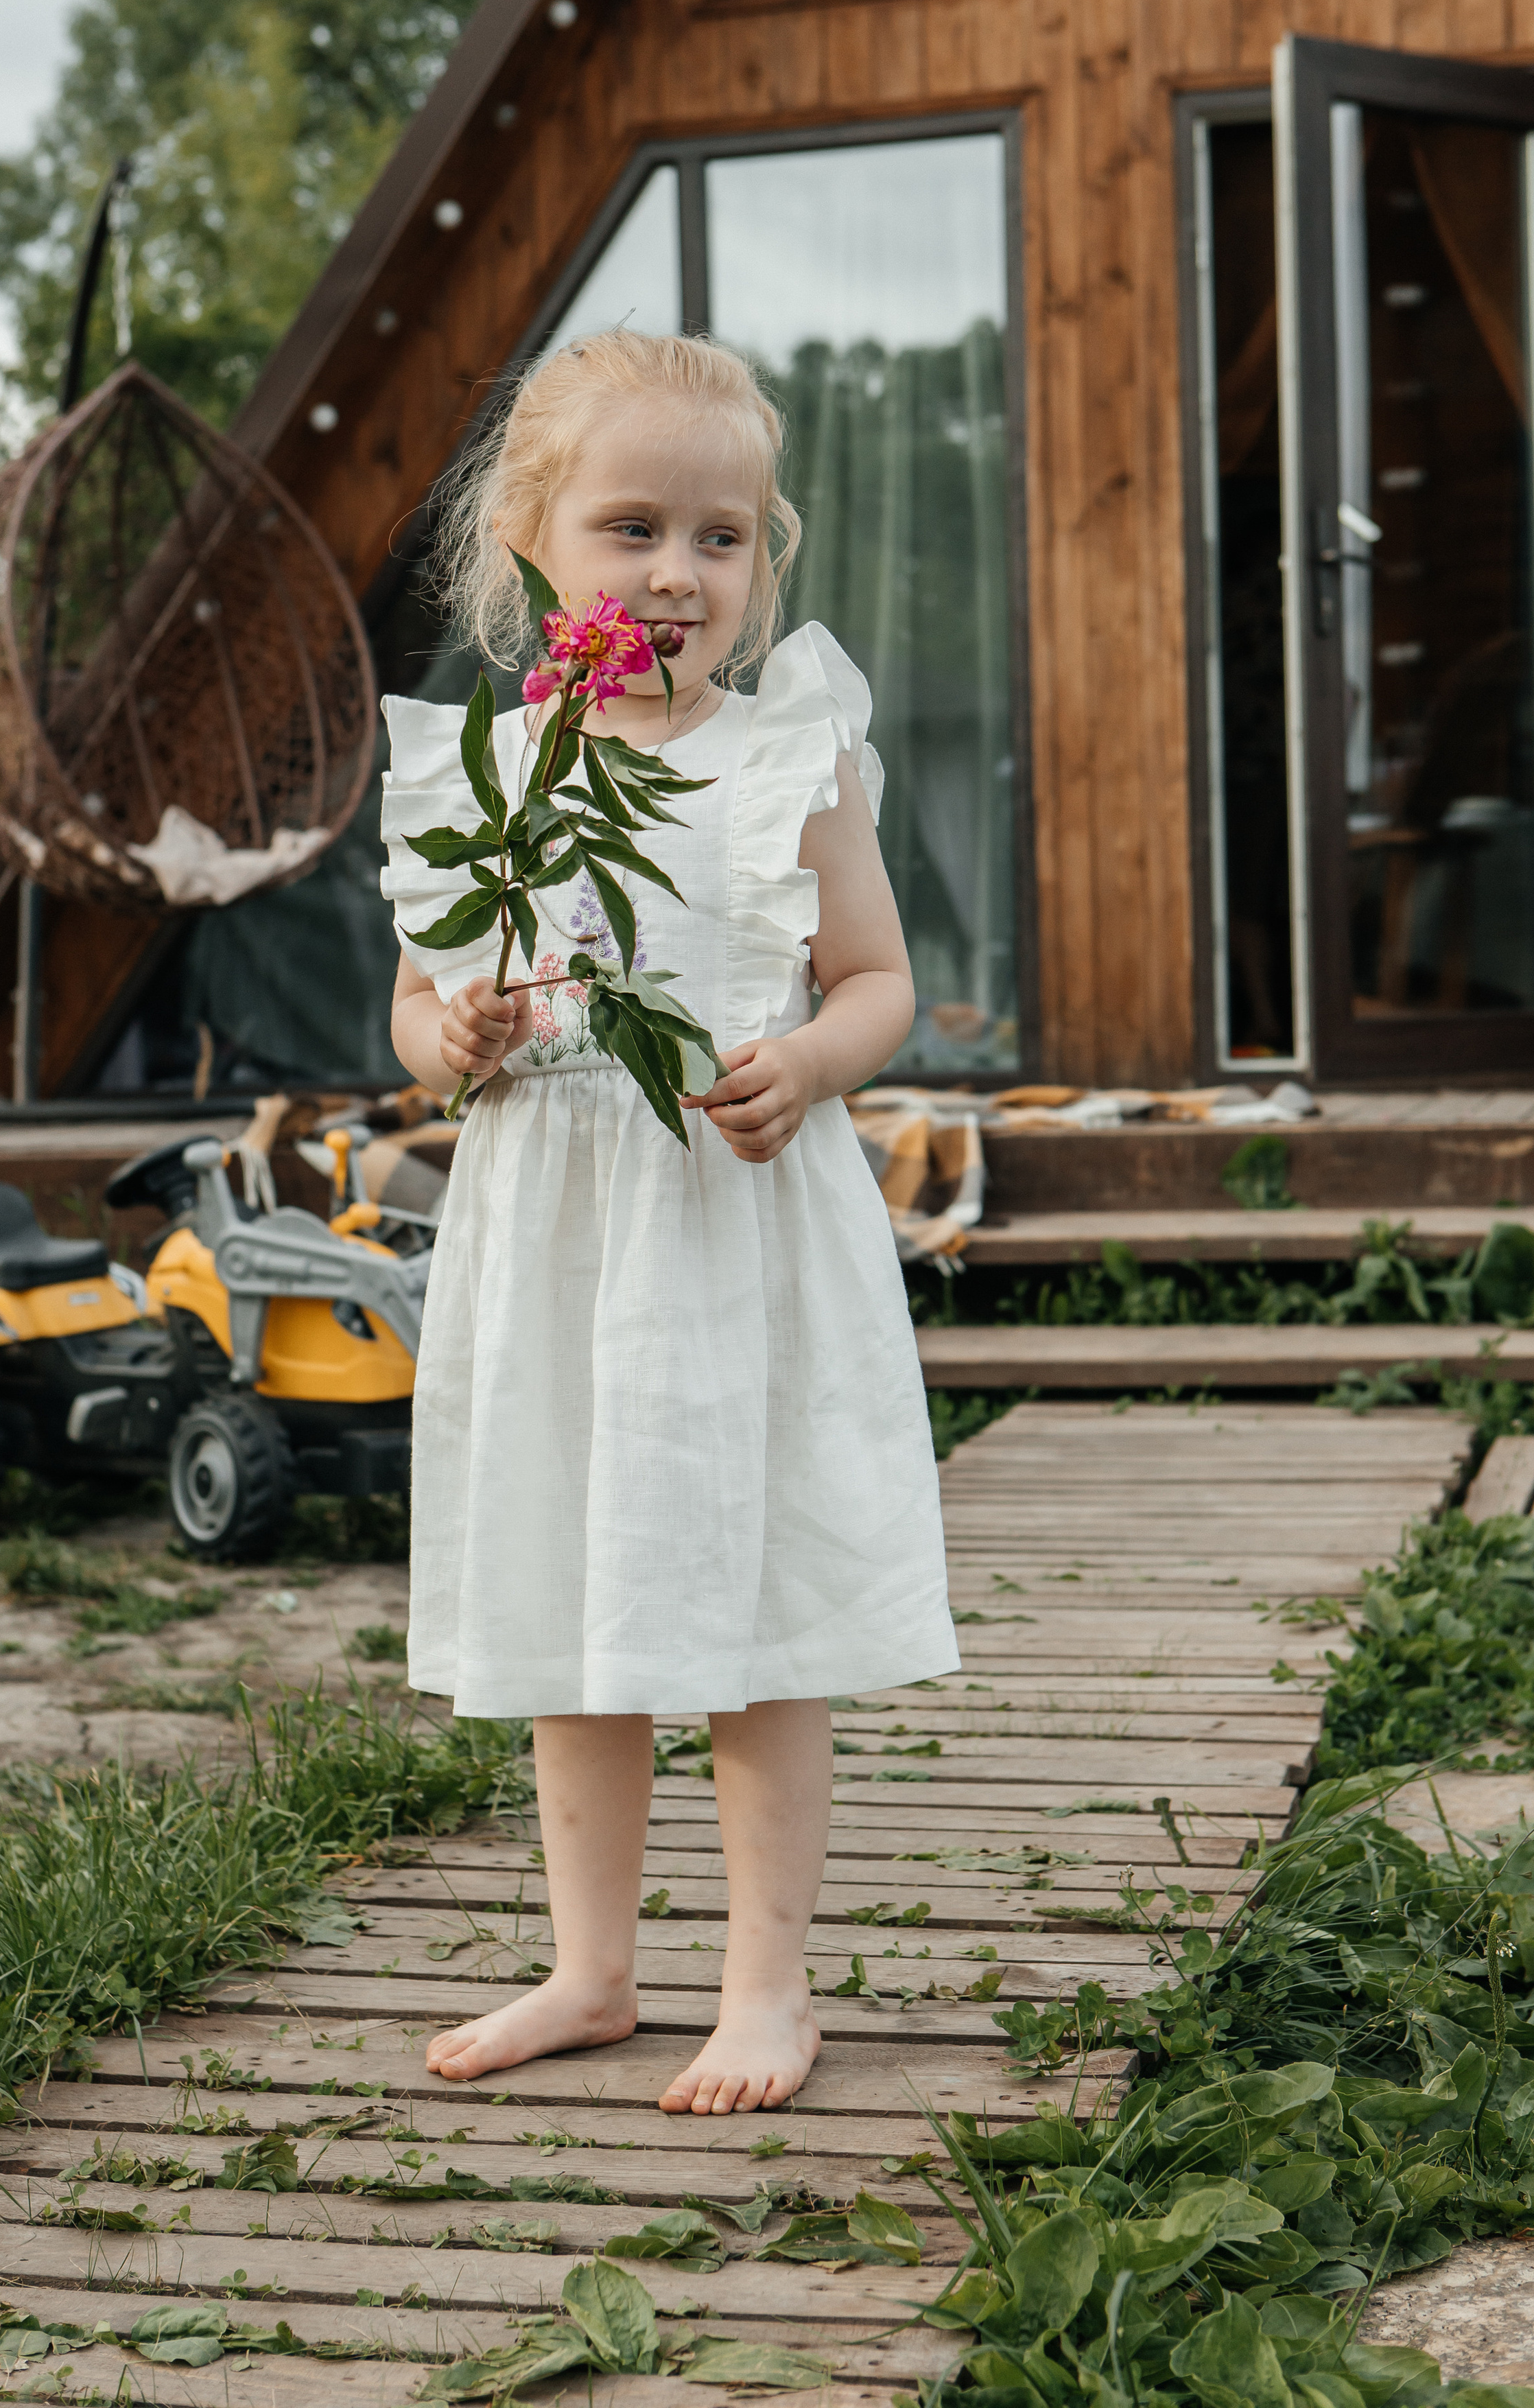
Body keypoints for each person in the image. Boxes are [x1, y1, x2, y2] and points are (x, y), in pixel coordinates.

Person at [383, 327, 956, 2118]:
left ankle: (767, 1985)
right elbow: (420, 1006)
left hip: (736, 1236)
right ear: (535, 542)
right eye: (634, 527)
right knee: (584, 1590)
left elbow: (878, 981)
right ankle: (593, 1965)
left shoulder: (791, 759)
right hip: (560, 1249)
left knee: (755, 1601)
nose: (678, 572)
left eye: (722, 538)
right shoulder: (490, 778)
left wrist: (809, 1061)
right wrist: (451, 1039)